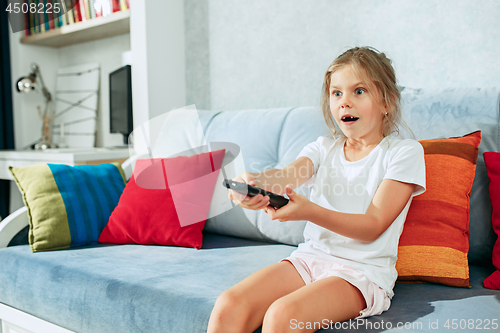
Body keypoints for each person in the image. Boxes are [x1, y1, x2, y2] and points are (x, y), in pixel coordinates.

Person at [207, 46, 426, 333]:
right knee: (228, 305)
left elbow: (373, 226)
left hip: (360, 273)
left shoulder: (403, 153)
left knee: (283, 315)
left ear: (388, 102)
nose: (344, 102)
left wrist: (310, 211)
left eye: (358, 91)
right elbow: (287, 175)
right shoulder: (324, 148)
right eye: (337, 93)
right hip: (310, 259)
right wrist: (254, 183)